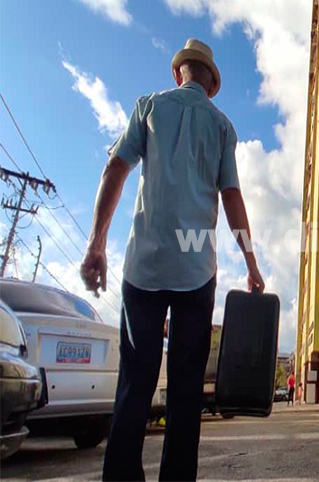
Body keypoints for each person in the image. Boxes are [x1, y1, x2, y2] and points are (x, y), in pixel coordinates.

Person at [79, 39, 265, 481]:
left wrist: (97, 244)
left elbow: (115, 170)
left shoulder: (149, 107)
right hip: (195, 270)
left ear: (180, 72)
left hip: (143, 266)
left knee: (134, 385)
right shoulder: (221, 127)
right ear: (210, 81)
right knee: (184, 394)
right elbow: (232, 197)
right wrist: (251, 262)